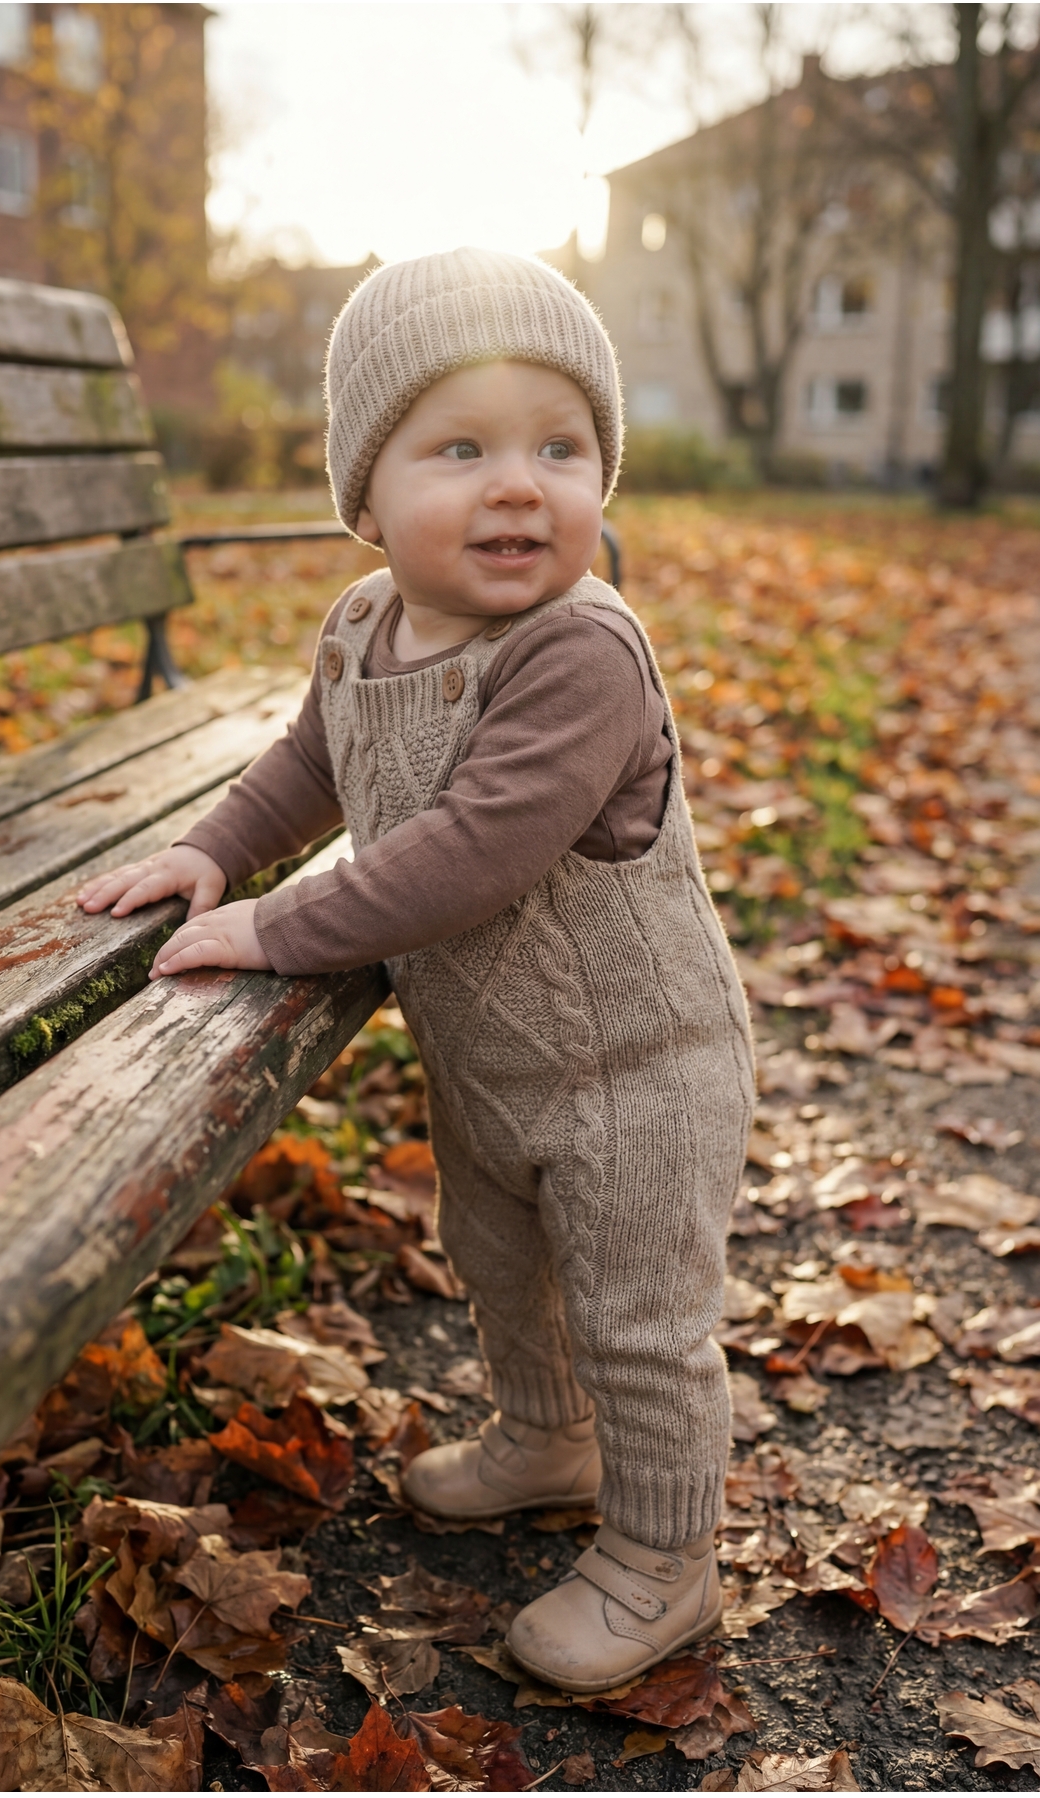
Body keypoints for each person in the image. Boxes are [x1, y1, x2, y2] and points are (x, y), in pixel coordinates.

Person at [77, 247, 755, 1694]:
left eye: (559, 448)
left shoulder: (581, 654)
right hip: (497, 1060)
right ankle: (543, 1438)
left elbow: (473, 850)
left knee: (641, 1317)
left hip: (642, 1067)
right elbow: (313, 761)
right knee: (504, 1267)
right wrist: (216, 853)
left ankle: (660, 1560)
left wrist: (279, 925)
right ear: (365, 497)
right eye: (462, 447)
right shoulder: (364, 628)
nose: (520, 485)